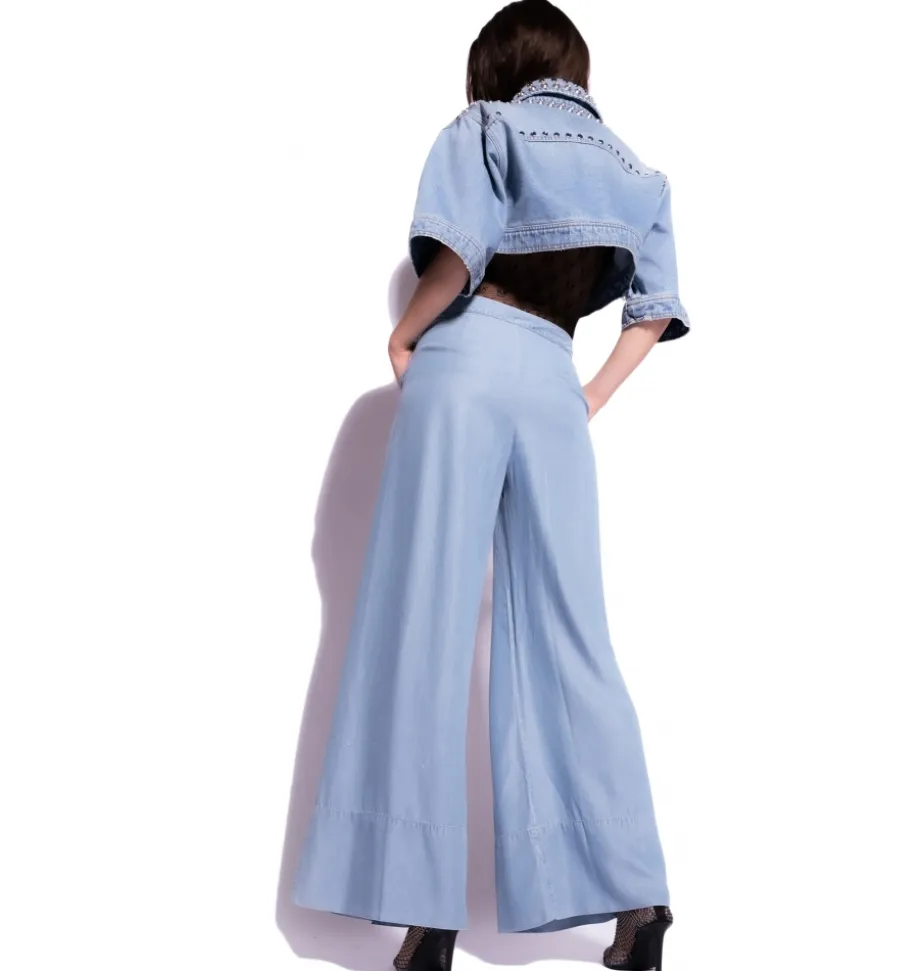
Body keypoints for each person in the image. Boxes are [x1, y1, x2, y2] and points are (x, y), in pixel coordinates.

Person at [293, 2, 689, 968]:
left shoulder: (486, 127)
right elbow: (654, 309)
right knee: (573, 635)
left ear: (496, 63)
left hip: (464, 364)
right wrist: (587, 394)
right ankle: (638, 901)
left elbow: (462, 251)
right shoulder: (638, 173)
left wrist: (405, 333)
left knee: (418, 624)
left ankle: (425, 918)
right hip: (553, 379)